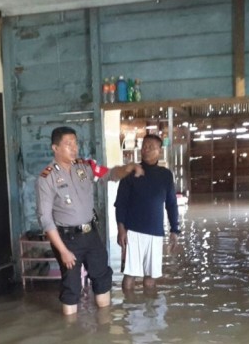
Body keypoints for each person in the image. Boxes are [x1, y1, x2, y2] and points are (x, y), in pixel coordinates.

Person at [36, 126, 143, 316]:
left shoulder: (85, 167)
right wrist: (63, 251)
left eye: (75, 143)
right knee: (71, 287)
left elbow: (110, 174)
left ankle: (105, 327)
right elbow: (46, 220)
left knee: (102, 278)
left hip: (91, 234)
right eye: (68, 144)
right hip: (68, 239)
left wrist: (128, 168)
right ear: (55, 148)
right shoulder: (47, 178)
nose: (74, 148)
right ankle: (71, 335)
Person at [115, 134, 180, 291]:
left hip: (156, 233)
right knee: (129, 275)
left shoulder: (165, 175)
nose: (146, 149)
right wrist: (121, 230)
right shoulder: (130, 173)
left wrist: (174, 230)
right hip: (133, 232)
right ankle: (129, 311)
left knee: (151, 278)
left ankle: (151, 311)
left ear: (159, 151)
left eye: (151, 147)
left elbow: (171, 204)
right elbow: (120, 204)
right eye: (144, 146)